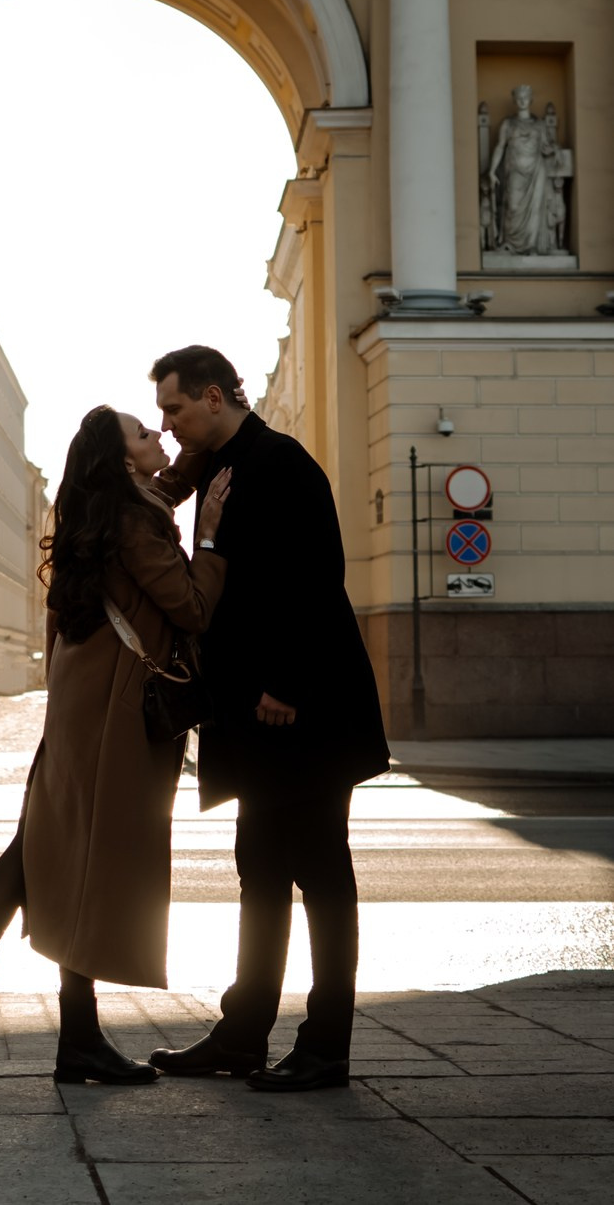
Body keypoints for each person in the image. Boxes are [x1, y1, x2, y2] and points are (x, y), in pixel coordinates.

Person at [0, 405, 230, 1087]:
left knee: (44, 850)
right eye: (146, 433)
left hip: (78, 695)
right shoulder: (135, 521)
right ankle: (41, 1024)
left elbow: (161, 486)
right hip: (113, 707)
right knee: (73, 857)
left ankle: (8, 1011)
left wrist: (203, 443)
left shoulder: (98, 509)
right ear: (121, 460)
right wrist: (207, 541)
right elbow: (191, 608)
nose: (161, 438)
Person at [147, 345, 389, 1093]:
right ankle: (244, 1034)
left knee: (321, 875)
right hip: (257, 716)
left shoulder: (280, 464)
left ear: (214, 396)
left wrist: (285, 682)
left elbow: (314, 580)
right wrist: (179, 472)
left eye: (175, 409)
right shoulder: (225, 467)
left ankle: (326, 1047)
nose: (168, 423)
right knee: (260, 871)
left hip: (302, 712)